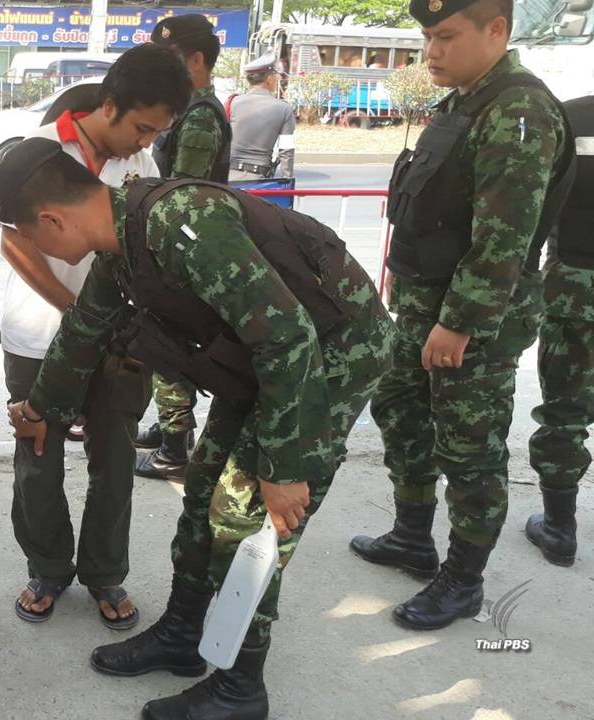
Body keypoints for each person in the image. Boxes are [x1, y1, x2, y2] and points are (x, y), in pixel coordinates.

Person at [0, 137, 393, 720]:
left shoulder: (181, 223)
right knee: (204, 490)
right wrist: (38, 412)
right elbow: (85, 331)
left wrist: (283, 467)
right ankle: (182, 635)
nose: (30, 246)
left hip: (329, 359)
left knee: (245, 519)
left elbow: (289, 338)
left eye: (29, 234)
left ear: (53, 219)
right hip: (259, 364)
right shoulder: (120, 244)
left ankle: (239, 687)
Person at [350, 0, 574, 631]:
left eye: (446, 36)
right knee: (400, 409)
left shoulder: (519, 108)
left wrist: (461, 322)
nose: (432, 50)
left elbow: (505, 233)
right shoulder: (467, 102)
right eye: (427, 36)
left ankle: (464, 580)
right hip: (425, 303)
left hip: (470, 319)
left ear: (496, 30)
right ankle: (412, 535)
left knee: (469, 446)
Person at [0, 43, 187, 631]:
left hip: (119, 345)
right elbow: (15, 243)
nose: (145, 142)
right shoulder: (39, 154)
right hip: (36, 335)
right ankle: (48, 567)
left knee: (113, 456)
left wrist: (116, 327)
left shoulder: (143, 164)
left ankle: (105, 572)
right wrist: (81, 313)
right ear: (109, 105)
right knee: (38, 453)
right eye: (141, 127)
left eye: (158, 132)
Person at [137, 14, 234, 483]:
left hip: (181, 248)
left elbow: (183, 195)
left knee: (166, 344)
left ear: (196, 60)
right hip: (182, 245)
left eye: (171, 60)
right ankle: (169, 427)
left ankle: (175, 449)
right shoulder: (188, 109)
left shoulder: (198, 117)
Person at [525, 94, 594, 567]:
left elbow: (533, 206)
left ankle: (560, 530)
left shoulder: (569, 117)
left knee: (565, 410)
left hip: (576, 284)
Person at [227, 54, 296, 182]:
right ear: (269, 79)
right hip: (258, 179)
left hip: (228, 177)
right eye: (276, 75)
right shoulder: (284, 109)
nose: (277, 78)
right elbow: (286, 150)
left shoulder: (233, 103)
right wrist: (287, 180)